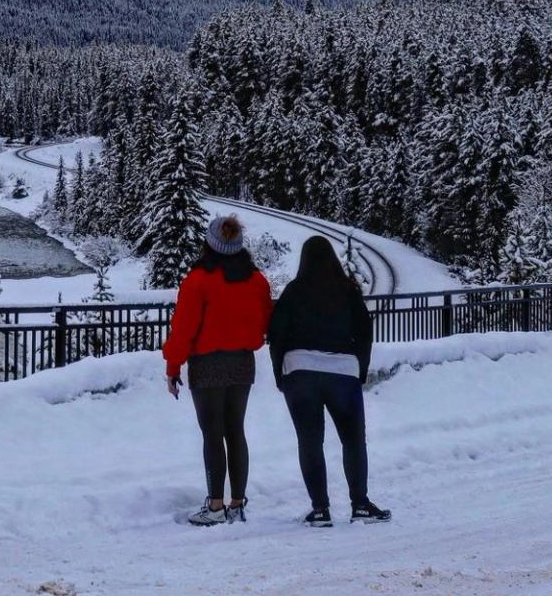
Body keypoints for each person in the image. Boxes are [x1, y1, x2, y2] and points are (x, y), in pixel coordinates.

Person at [267, 234, 391, 526]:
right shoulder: (348, 290)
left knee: (310, 441)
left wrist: (280, 374)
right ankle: (360, 503)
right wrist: (359, 368)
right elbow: (364, 331)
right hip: (343, 372)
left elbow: (277, 334)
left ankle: (320, 509)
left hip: (300, 371)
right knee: (353, 440)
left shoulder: (294, 291)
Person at [160, 213, 272, 526]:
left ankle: (215, 506)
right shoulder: (256, 280)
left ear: (209, 243)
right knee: (236, 431)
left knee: (212, 434)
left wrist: (173, 367)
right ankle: (237, 503)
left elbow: (183, 329)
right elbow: (266, 319)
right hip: (241, 363)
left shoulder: (198, 280)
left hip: (207, 365)